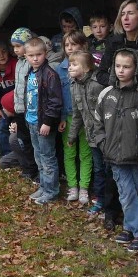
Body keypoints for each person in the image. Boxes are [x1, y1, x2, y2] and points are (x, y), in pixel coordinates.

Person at [93, 48, 138, 252]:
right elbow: (97, 123)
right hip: (114, 155)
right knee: (125, 193)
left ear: (135, 68)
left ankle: (130, 227)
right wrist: (103, 143)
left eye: (126, 66)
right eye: (118, 66)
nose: (121, 70)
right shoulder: (105, 94)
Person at [23, 37, 63, 205]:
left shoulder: (50, 75)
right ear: (25, 56)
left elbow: (55, 102)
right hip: (31, 121)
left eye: (38, 54)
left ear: (45, 54)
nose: (35, 58)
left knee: (47, 157)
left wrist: (47, 122)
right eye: (31, 55)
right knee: (38, 155)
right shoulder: (30, 72)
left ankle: (52, 190)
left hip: (43, 123)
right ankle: (44, 186)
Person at [66, 52, 106, 212]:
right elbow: (77, 114)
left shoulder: (97, 84)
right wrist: (72, 135)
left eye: (74, 64)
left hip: (106, 135)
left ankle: (112, 204)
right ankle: (100, 200)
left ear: (87, 68)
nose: (70, 67)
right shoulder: (74, 86)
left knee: (109, 169)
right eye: (70, 64)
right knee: (98, 168)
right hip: (92, 137)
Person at [57, 30, 92, 203]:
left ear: (83, 45)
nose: (70, 48)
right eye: (67, 45)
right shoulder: (61, 69)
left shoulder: (88, 67)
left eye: (74, 44)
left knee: (85, 154)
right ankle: (72, 186)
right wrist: (62, 117)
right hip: (69, 117)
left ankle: (84, 187)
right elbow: (59, 96)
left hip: (86, 119)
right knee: (69, 152)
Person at [96, 0, 138, 87]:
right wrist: (119, 83)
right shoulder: (114, 42)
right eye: (122, 14)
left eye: (130, 13)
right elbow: (100, 74)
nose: (125, 18)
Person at [10, 27, 39, 181]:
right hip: (19, 108)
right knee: (24, 141)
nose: (15, 50)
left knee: (34, 141)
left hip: (30, 109)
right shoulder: (18, 63)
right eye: (14, 46)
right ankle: (29, 168)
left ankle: (38, 170)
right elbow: (17, 87)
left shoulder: (30, 63)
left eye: (18, 46)